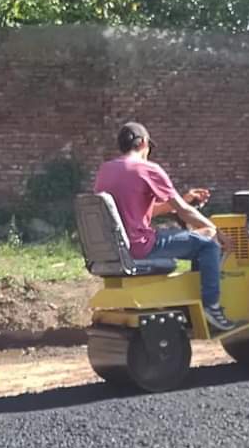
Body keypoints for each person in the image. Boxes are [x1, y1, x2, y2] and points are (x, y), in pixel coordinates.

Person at [94, 121, 239, 332]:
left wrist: (185, 199)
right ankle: (212, 307)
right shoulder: (148, 169)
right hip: (140, 246)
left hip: (115, 249)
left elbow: (135, 212)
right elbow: (185, 212)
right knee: (209, 243)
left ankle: (193, 305)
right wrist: (219, 232)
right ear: (143, 143)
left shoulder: (105, 170)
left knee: (202, 237)